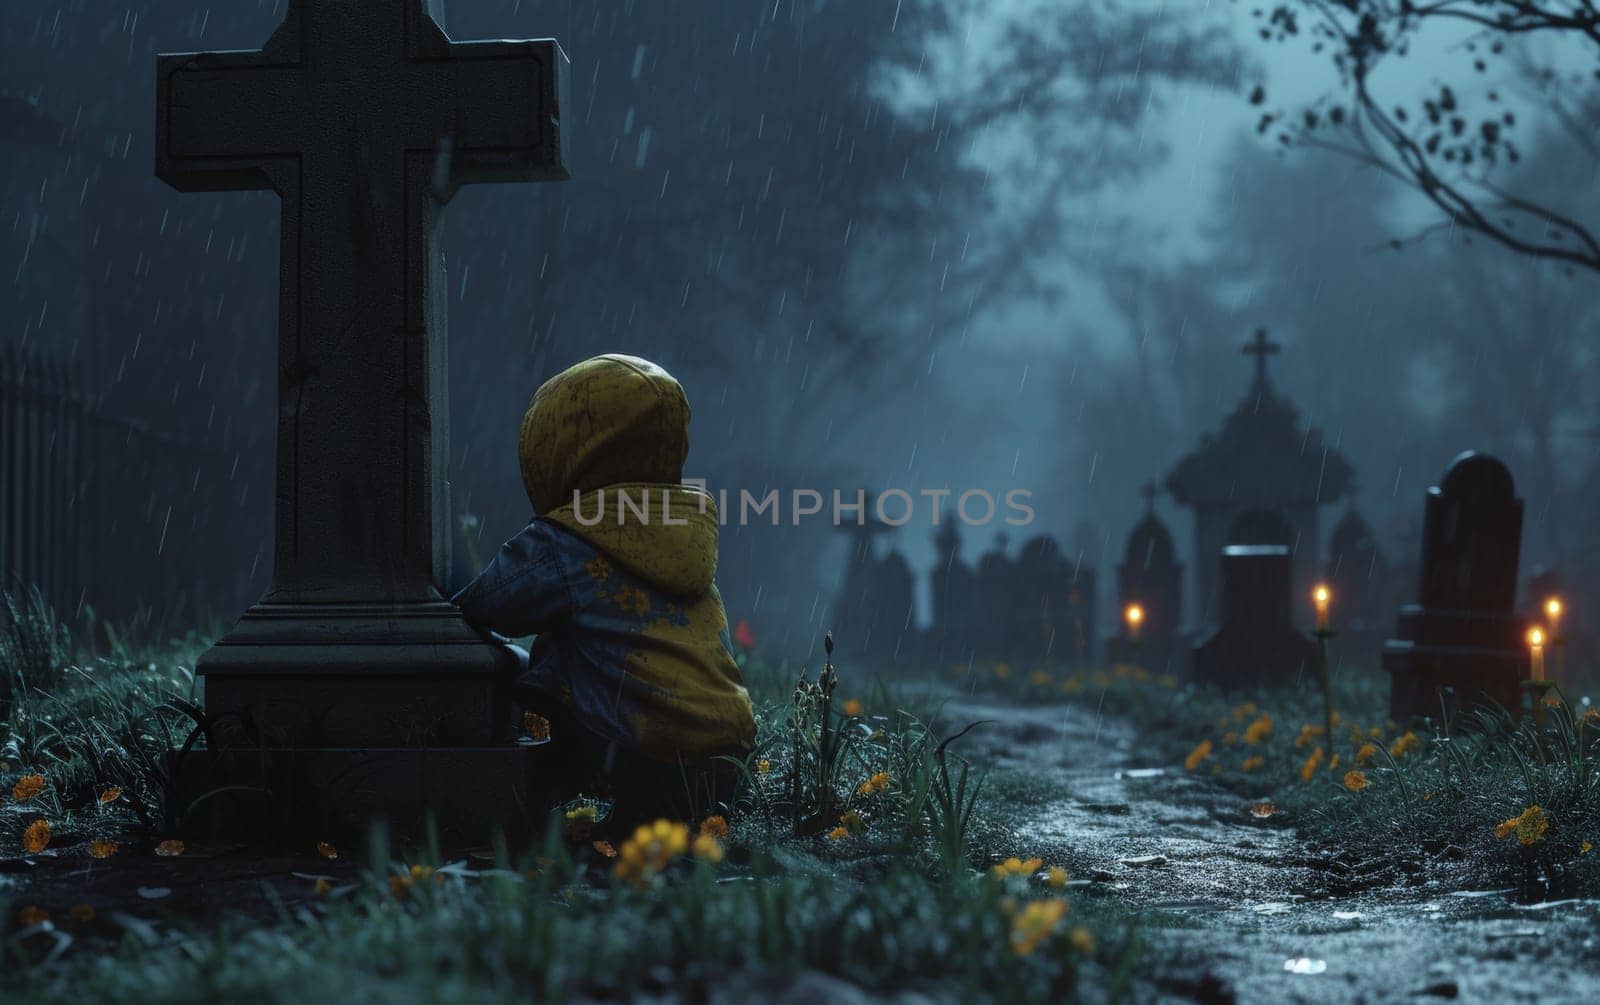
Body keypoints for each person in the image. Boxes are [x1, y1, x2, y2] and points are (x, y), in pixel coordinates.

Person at [453, 354, 755, 827]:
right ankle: (647, 814)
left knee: (543, 658)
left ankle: (532, 795)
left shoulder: (566, 540)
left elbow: (487, 604)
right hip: (725, 758)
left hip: (644, 757)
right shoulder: (680, 527)